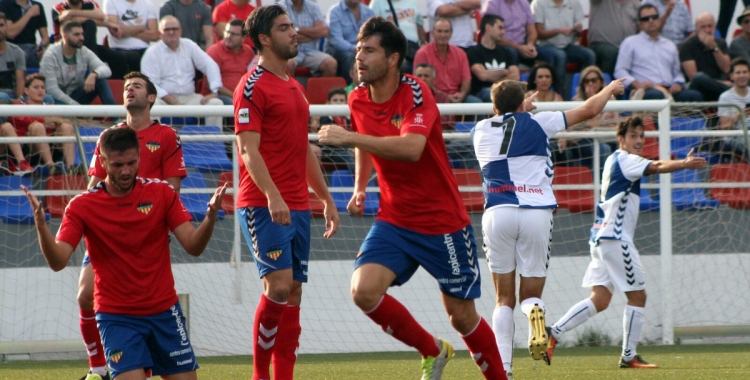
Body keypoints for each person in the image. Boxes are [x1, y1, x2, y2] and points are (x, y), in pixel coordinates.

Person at [319, 16, 506, 380]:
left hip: (442, 223)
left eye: (369, 51)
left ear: (392, 59)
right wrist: (360, 186)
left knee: (462, 316)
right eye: (358, 50)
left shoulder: (416, 93)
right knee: (363, 291)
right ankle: (432, 350)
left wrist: (350, 138)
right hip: (395, 220)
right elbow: (368, 146)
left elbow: (411, 148)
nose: (359, 57)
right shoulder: (357, 98)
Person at [23, 126, 226, 380]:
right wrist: (42, 227)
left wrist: (209, 218)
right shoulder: (82, 206)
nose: (126, 171)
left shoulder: (161, 193)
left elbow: (194, 247)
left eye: (132, 162)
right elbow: (58, 262)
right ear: (104, 161)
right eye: (118, 165)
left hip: (164, 311)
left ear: (140, 157)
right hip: (117, 317)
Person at [472, 76, 624, 376]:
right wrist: (610, 88)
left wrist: (519, 106)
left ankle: (504, 369)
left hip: (498, 211)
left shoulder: (479, 129)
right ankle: (536, 314)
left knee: (503, 299)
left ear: (493, 107)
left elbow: (507, 122)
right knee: (530, 296)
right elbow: (589, 109)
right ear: (522, 104)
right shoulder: (541, 122)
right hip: (536, 212)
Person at [546, 116, 707, 369]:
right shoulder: (626, 159)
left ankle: (553, 332)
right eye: (633, 136)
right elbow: (655, 166)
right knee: (638, 296)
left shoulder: (613, 159)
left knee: (599, 299)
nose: (639, 141)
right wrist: (683, 164)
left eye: (642, 136)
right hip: (615, 238)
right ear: (621, 139)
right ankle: (629, 355)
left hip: (600, 238)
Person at [233, 6, 339, 379]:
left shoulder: (294, 87)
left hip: (297, 204)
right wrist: (273, 195)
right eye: (284, 28)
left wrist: (324, 197)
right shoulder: (251, 86)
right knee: (277, 287)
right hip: (264, 203)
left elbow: (302, 148)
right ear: (264, 39)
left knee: (293, 291)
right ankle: (260, 375)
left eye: (292, 26)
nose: (294, 32)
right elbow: (248, 150)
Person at [76, 71, 187, 380]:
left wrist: (159, 223)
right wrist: (88, 214)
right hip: (109, 231)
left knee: (146, 301)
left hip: (147, 232)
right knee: (85, 294)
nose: (129, 91)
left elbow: (173, 187)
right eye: (125, 87)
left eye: (137, 86)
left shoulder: (166, 135)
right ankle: (98, 369)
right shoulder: (109, 136)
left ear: (151, 97)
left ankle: (141, 366)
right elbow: (95, 182)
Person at [140, 16, 224, 128]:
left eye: (174, 29)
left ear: (181, 31)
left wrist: (215, 91)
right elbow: (150, 84)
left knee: (216, 104)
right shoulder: (152, 53)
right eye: (166, 29)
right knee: (152, 106)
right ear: (160, 33)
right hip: (163, 100)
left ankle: (213, 143)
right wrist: (172, 101)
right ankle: (155, 143)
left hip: (189, 98)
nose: (171, 32)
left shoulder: (189, 45)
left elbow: (210, 65)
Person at [614, 4, 702, 101]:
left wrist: (677, 83)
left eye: (654, 17)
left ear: (659, 20)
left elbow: (677, 73)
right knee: (657, 96)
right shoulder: (630, 43)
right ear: (639, 23)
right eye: (646, 19)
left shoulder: (669, 45)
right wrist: (636, 84)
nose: (651, 21)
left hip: (670, 90)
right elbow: (620, 71)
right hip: (646, 90)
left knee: (695, 95)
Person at [3, 73, 76, 174]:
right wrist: (46, 121)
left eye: (42, 87)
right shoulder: (18, 106)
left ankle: (70, 168)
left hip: (51, 147)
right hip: (29, 150)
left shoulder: (50, 106)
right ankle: (51, 167)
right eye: (36, 87)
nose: (40, 90)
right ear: (26, 91)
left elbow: (62, 121)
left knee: (67, 127)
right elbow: (26, 121)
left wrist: (52, 121)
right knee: (37, 127)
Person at [482, 0, 559, 90]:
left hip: (524, 44)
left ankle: (553, 92)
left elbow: (532, 30)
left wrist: (530, 45)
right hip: (504, 46)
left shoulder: (524, 3)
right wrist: (518, 48)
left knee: (551, 55)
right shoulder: (493, 4)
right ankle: (514, 92)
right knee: (512, 53)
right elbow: (492, 34)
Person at [39, 21, 116, 105]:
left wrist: (93, 74)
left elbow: (106, 70)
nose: (81, 38)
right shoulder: (50, 55)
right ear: (65, 36)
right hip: (56, 100)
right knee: (50, 99)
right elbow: (52, 89)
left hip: (75, 97)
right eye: (76, 34)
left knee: (100, 80)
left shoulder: (83, 51)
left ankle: (116, 117)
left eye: (82, 34)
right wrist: (74, 105)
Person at [531, 0, 596, 99]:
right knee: (560, 56)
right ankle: (560, 96)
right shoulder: (539, 3)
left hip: (567, 44)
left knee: (589, 55)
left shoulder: (574, 3)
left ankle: (583, 93)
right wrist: (559, 31)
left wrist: (578, 30)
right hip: (545, 45)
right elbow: (538, 33)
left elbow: (579, 34)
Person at [51, 0, 128, 79]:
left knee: (118, 58)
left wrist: (71, 12)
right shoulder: (58, 7)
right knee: (90, 23)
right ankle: (92, 66)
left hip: (89, 45)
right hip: (68, 47)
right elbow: (74, 21)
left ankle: (118, 86)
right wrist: (96, 19)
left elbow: (101, 16)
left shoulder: (90, 3)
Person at [413, 18, 480, 104]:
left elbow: (466, 79)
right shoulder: (422, 53)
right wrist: (445, 96)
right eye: (439, 31)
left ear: (451, 33)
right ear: (432, 33)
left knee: (476, 102)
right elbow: (420, 81)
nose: (443, 35)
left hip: (458, 96)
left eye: (446, 31)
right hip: (433, 96)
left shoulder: (460, 53)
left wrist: (462, 94)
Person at [466, 14, 520, 103]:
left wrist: (494, 82)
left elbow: (515, 76)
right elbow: (482, 75)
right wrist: (503, 72)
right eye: (500, 28)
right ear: (488, 27)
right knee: (492, 94)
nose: (503, 32)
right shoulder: (474, 51)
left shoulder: (507, 52)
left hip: (502, 91)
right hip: (481, 92)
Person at [705, 57, 750, 163]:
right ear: (732, 76)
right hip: (735, 137)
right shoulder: (725, 97)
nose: (742, 75)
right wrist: (737, 117)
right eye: (738, 73)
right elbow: (723, 128)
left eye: (744, 72)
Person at [679, 12, 731, 102]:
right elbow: (693, 77)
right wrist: (721, 83)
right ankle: (733, 93)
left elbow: (726, 68)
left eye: (710, 26)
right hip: (697, 86)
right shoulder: (687, 46)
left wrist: (714, 47)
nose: (707, 30)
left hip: (717, 87)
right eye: (703, 27)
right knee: (699, 77)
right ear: (696, 28)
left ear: (715, 27)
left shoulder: (721, 43)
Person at [279, 0, 337, 77]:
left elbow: (324, 31)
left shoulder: (313, 7)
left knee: (331, 63)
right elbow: (284, 35)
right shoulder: (280, 7)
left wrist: (296, 29)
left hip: (311, 52)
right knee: (288, 64)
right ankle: (291, 89)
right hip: (289, 52)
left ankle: (319, 88)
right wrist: (313, 34)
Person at [206, 19, 255, 106]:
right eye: (227, 32)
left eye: (234, 34)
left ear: (243, 38)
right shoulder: (214, 52)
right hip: (220, 96)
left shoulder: (248, 51)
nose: (228, 36)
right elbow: (213, 84)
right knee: (237, 105)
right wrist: (237, 96)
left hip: (243, 95)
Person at [103, 0, 160, 76]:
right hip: (120, 49)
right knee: (133, 57)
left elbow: (155, 35)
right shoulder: (111, 2)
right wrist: (141, 28)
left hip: (144, 50)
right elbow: (115, 31)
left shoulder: (148, 3)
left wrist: (126, 30)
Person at [369, 0, 426, 72]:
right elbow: (372, 28)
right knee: (402, 65)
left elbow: (419, 24)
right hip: (391, 46)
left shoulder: (412, 2)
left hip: (412, 47)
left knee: (426, 65)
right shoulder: (377, 2)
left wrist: (423, 42)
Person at [325, 0, 375, 83]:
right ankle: (350, 88)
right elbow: (336, 40)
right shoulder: (334, 11)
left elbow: (373, 35)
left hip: (361, 48)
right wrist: (356, 49)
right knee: (349, 57)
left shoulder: (369, 12)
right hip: (337, 49)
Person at [588, 0, 640, 76]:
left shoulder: (636, 4)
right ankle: (607, 86)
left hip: (628, 48)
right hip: (601, 45)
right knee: (612, 53)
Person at [310, 87, 355, 171]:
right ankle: (359, 182)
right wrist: (349, 149)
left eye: (341, 101)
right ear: (328, 102)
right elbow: (329, 141)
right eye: (335, 100)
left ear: (346, 102)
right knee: (349, 157)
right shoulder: (325, 119)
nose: (338, 103)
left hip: (345, 149)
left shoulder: (348, 119)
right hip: (328, 150)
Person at [0, 0, 48, 68]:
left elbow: (45, 37)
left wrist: (42, 47)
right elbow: (10, 33)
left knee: (49, 57)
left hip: (32, 49)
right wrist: (29, 13)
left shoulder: (37, 6)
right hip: (11, 48)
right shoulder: (5, 4)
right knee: (21, 55)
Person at [0, 12, 26, 104]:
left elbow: (20, 80)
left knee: (48, 99)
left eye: (1, 25)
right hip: (3, 96)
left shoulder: (16, 51)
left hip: (12, 94)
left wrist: (19, 99)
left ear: (6, 27)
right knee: (3, 97)